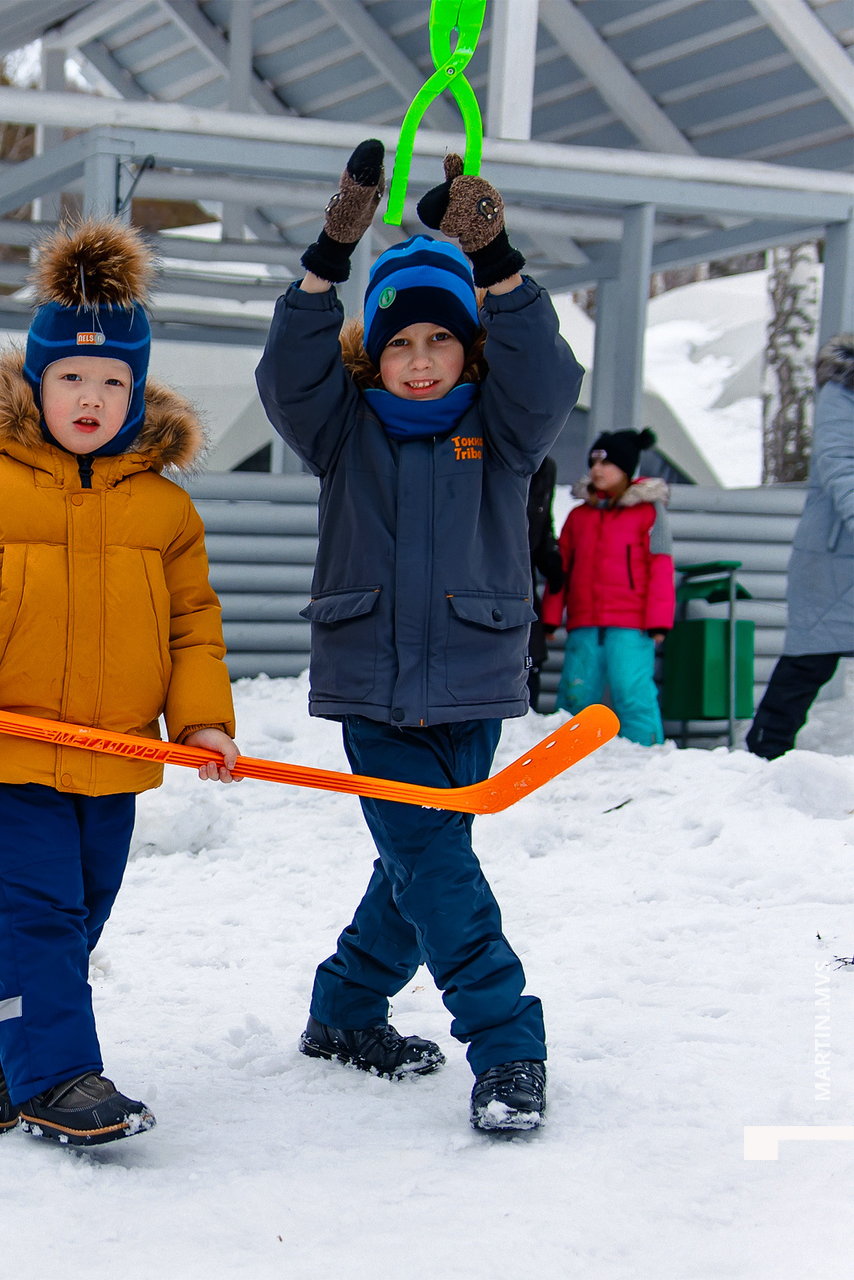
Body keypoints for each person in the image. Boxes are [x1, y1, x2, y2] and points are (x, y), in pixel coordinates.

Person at [0, 219, 240, 1147]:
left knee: (70, 916)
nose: (91, 396)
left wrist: (200, 723)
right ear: (36, 384)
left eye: (113, 381)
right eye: (72, 377)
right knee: (38, 910)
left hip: (112, 754)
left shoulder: (165, 507)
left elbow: (193, 625)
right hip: (5, 739)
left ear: (138, 392)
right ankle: (63, 1079)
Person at [255, 144, 583, 1131]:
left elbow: (550, 372)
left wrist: (500, 261)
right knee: (438, 863)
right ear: (377, 351)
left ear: (468, 348)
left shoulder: (505, 427)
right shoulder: (342, 428)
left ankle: (346, 1009)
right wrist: (331, 251)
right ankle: (508, 1042)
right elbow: (287, 371)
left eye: (442, 339)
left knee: (416, 862)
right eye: (403, 342)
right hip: (373, 690)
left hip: (475, 681)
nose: (423, 356)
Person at [748, 334, 854, 759]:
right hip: (836, 557)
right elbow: (837, 462)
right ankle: (765, 753)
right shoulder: (845, 385)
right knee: (810, 658)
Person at [541, 429, 673, 746]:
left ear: (626, 468)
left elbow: (661, 567)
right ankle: (563, 758)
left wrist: (659, 621)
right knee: (576, 693)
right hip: (584, 622)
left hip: (632, 625)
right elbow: (561, 571)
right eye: (593, 463)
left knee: (632, 692)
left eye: (606, 464)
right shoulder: (578, 517)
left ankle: (647, 755)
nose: (597, 470)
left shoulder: (649, 513)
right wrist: (550, 615)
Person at [527, 453, 563, 704]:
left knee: (531, 659)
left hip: (524, 584)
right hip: (481, 578)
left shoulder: (545, 467)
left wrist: (549, 553)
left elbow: (542, 521)